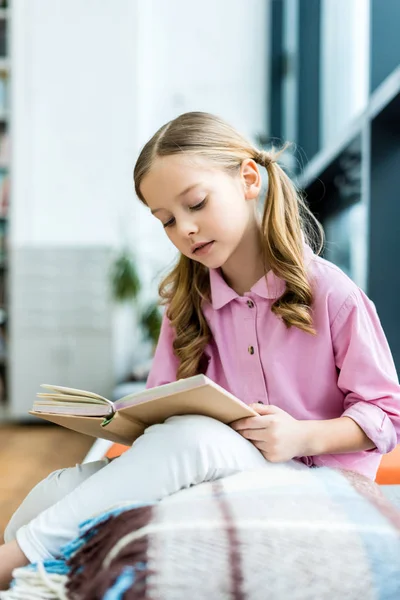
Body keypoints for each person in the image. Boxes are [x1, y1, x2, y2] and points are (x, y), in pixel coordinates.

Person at [1, 111, 399, 588]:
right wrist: (120, 419)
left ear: (248, 180)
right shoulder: (187, 306)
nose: (184, 229)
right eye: (166, 220)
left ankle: (15, 558)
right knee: (57, 487)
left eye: (196, 204)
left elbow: (387, 414)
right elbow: (160, 410)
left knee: (192, 437)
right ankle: (27, 585)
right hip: (217, 467)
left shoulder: (332, 294)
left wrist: (301, 436)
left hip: (311, 474)